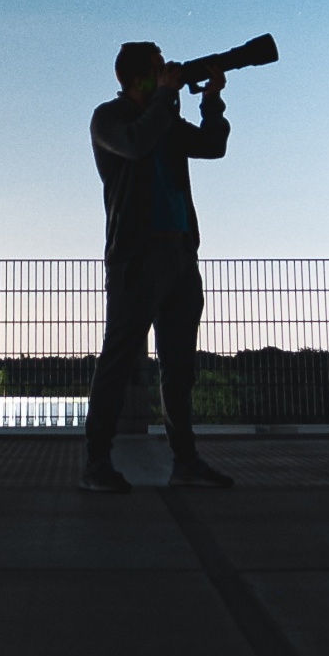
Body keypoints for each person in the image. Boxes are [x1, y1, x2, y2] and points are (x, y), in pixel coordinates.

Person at [80, 39, 236, 494]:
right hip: (136, 255)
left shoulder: (165, 118)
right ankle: (96, 463)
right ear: (134, 78)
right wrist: (168, 96)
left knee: (179, 364)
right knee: (120, 358)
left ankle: (185, 462)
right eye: (157, 68)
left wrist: (211, 100)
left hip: (180, 254)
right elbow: (135, 144)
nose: (167, 71)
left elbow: (212, 146)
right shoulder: (109, 118)